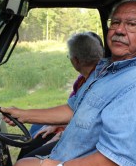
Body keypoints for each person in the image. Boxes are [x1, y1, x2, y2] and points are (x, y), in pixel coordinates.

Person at [3, 0, 136, 166]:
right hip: (69, 159)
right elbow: (72, 109)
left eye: (132, 24)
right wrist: (23, 114)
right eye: (115, 22)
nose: (119, 30)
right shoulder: (107, 69)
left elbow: (116, 162)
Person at [18, 31, 105, 159]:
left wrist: (60, 135)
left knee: (26, 160)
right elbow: (73, 110)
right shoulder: (86, 79)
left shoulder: (96, 83)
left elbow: (86, 122)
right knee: (33, 137)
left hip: (85, 141)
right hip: (75, 130)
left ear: (75, 61)